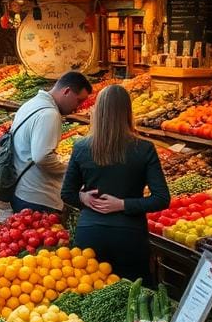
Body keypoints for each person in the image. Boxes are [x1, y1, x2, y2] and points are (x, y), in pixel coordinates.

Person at [61, 85, 170, 284]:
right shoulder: (144, 149)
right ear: (128, 111)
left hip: (90, 233)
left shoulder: (82, 147)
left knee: (91, 294)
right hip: (129, 235)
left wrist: (83, 198)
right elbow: (161, 199)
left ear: (98, 111)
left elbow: (67, 194)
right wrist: (123, 205)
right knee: (133, 296)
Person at [10, 72, 94, 214]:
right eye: (78, 101)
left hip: (21, 188)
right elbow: (42, 157)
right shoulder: (50, 114)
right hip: (38, 197)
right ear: (67, 91)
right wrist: (70, 170)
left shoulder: (31, 104)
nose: (78, 107)